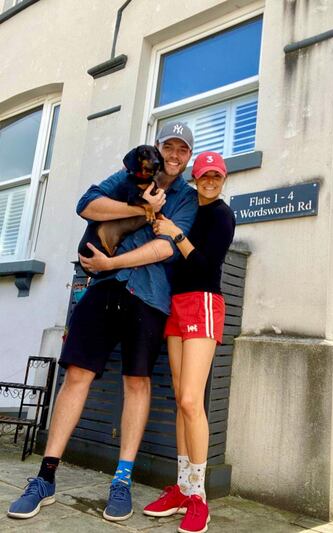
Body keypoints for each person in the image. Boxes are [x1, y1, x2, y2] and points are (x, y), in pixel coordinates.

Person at [7, 122, 198, 522]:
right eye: (169, 146)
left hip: (149, 296)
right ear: (157, 148)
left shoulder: (186, 197)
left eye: (182, 149)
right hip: (104, 287)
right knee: (76, 375)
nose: (174, 155)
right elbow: (87, 205)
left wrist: (111, 261)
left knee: (137, 382)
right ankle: (45, 477)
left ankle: (121, 480)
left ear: (188, 156)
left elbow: (165, 248)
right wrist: (142, 209)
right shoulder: (128, 176)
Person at [143, 152, 236, 533]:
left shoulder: (222, 216)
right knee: (181, 398)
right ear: (195, 178)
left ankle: (199, 496)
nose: (210, 181)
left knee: (192, 400)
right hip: (177, 304)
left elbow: (204, 265)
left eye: (217, 175)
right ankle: (182, 488)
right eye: (205, 175)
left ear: (223, 179)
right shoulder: (187, 209)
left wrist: (175, 235)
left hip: (204, 302)